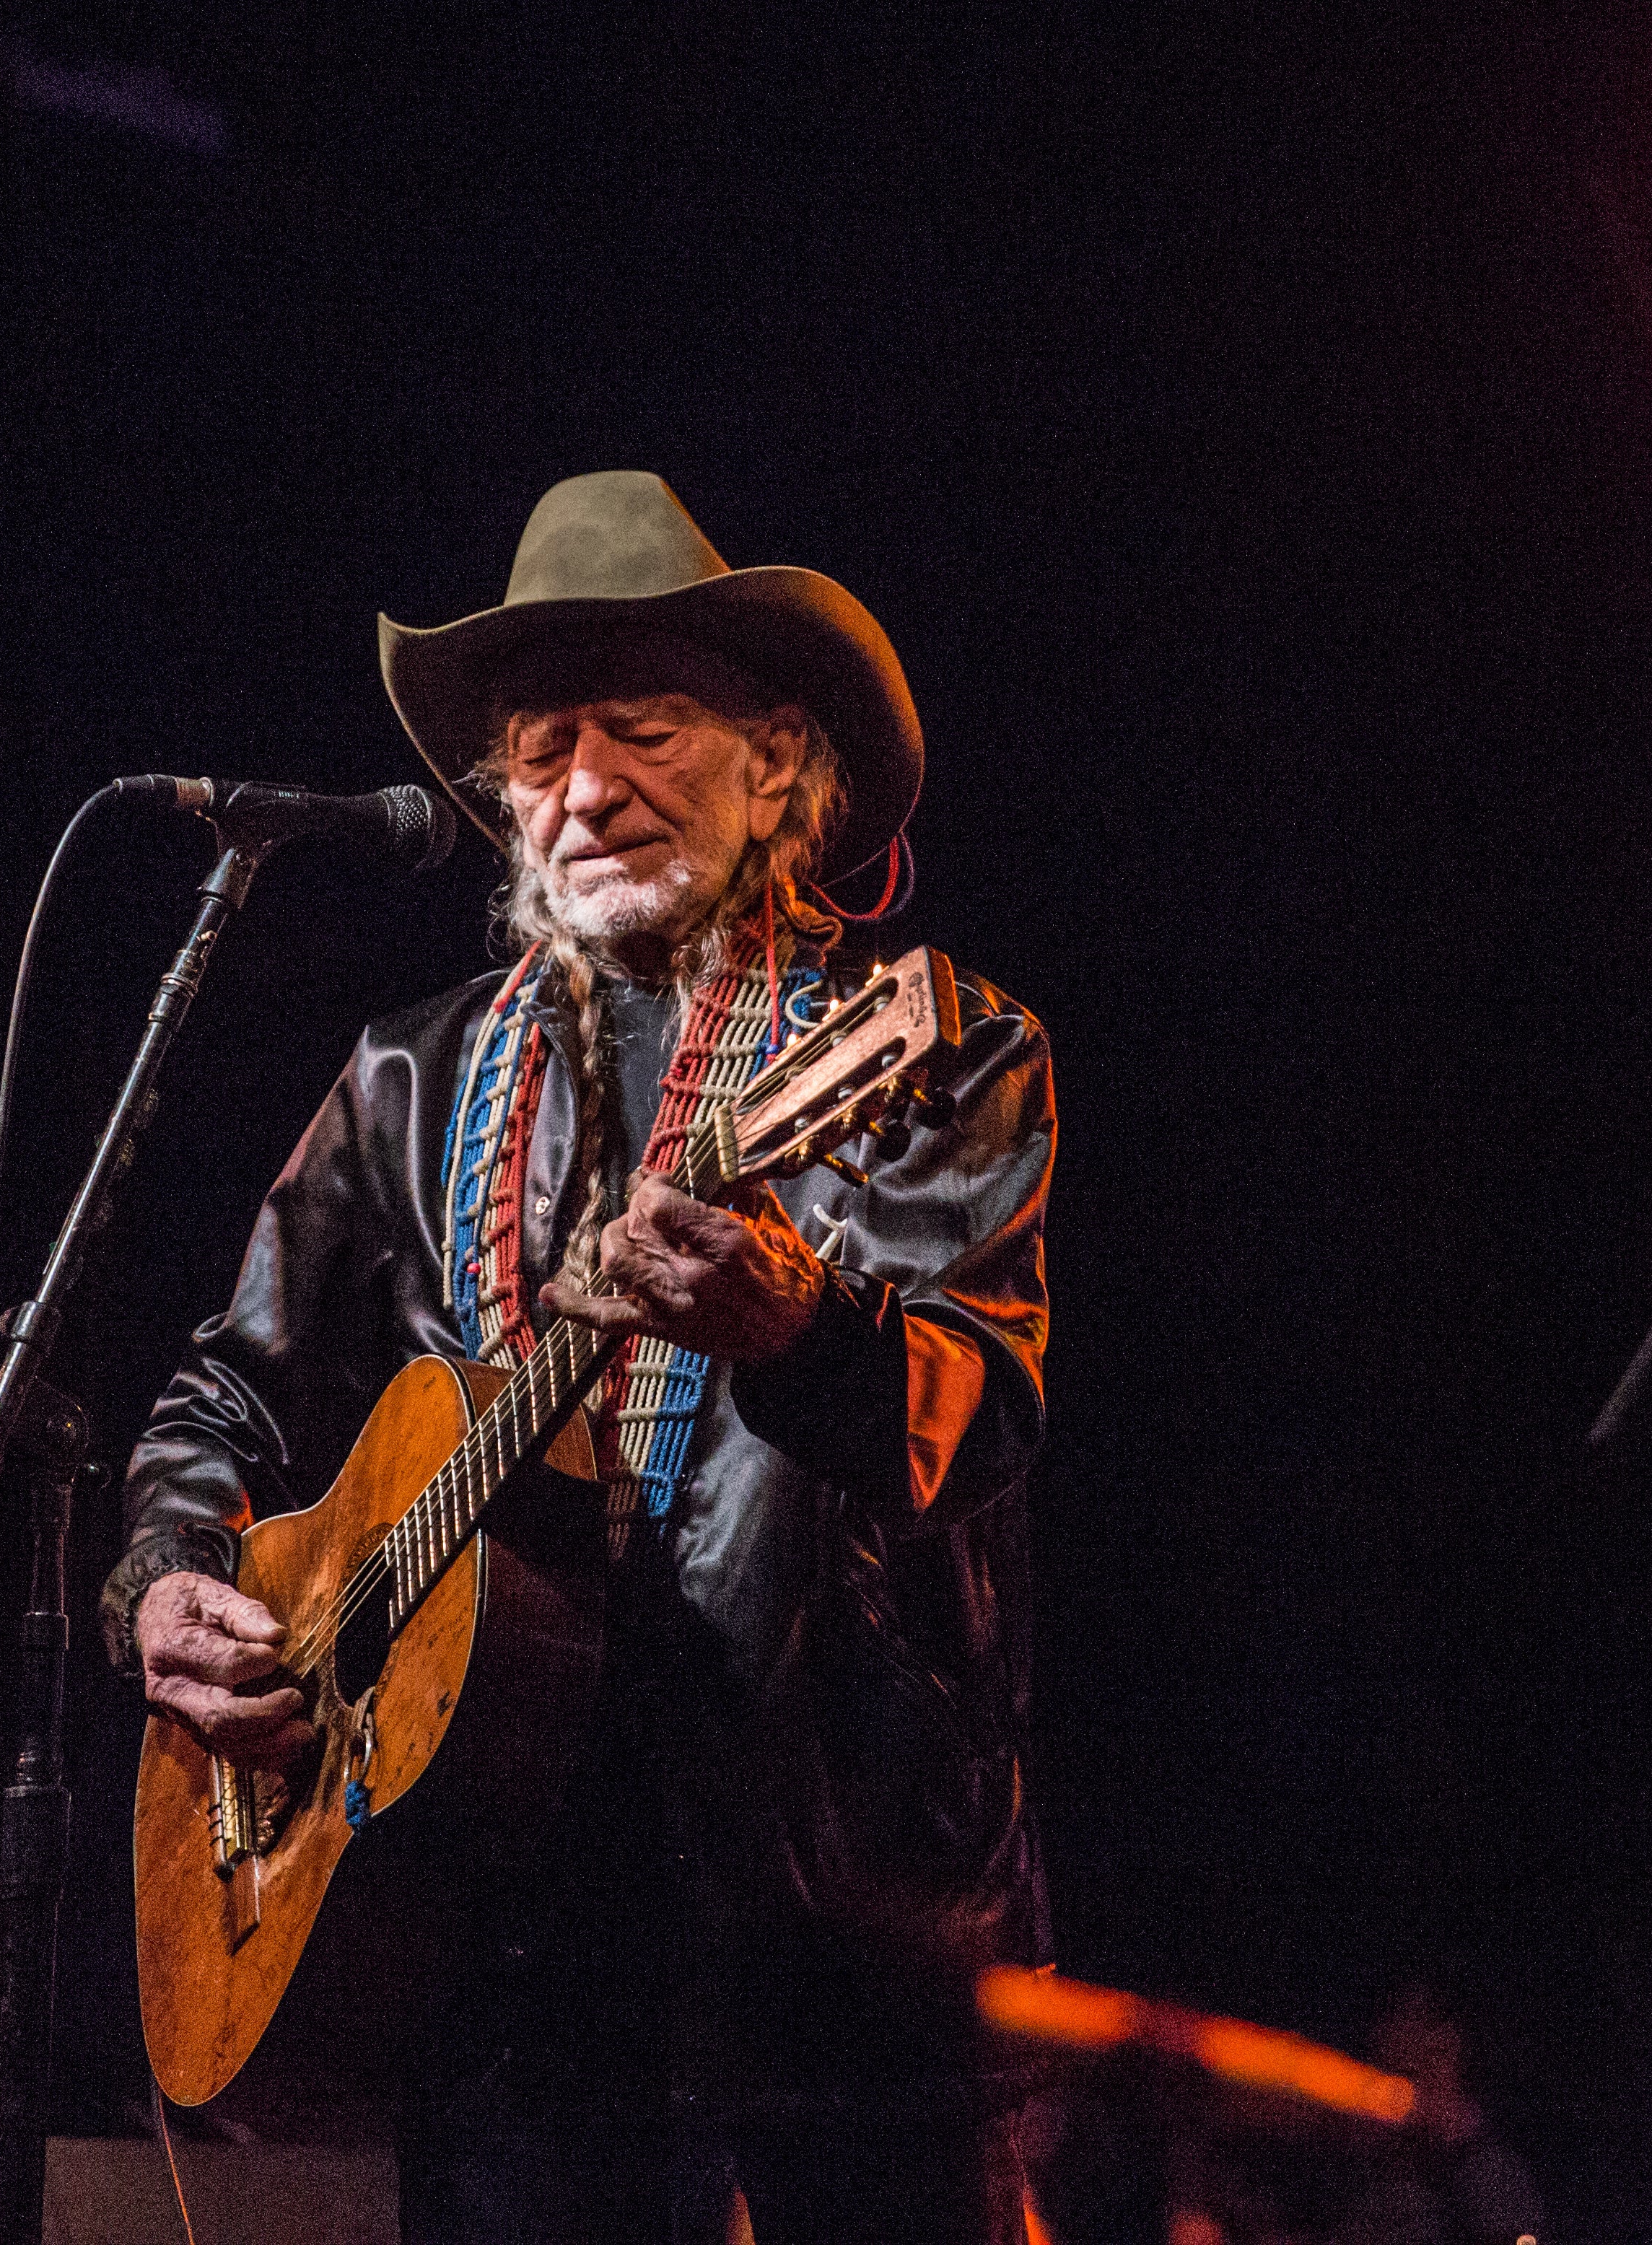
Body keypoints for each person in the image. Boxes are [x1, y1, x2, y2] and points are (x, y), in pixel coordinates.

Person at [101, 471, 1057, 2243]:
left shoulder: (923, 1045)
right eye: (540, 750)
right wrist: (167, 1576)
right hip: (497, 1946)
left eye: (644, 729)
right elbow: (217, 1395)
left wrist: (793, 1322)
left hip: (832, 1934)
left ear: (776, 761)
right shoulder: (406, 1076)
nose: (582, 788)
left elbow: (975, 1407)